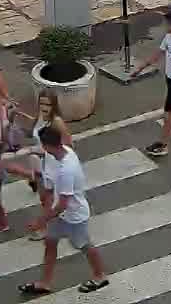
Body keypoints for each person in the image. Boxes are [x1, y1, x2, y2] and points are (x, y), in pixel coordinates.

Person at [21, 123, 109, 296]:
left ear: (47, 146)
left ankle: (100, 275)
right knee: (50, 242)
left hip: (73, 216)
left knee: (85, 245)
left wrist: (40, 221)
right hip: (60, 214)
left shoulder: (66, 170)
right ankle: (45, 282)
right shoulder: (65, 151)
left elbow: (63, 204)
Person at [2, 93, 68, 243]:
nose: (44, 108)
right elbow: (30, 133)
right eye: (42, 104)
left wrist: (37, 151)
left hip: (52, 165)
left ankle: (45, 227)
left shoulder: (57, 122)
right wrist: (12, 117)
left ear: (54, 106)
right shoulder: (39, 118)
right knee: (43, 197)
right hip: (39, 163)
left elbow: (67, 146)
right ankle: (51, 221)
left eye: (48, 105)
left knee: (47, 198)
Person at [129, 10, 171, 157]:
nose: (164, 25)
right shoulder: (169, 37)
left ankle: (163, 144)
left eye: (166, 23)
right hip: (170, 79)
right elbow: (157, 55)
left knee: (168, 114)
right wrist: (140, 68)